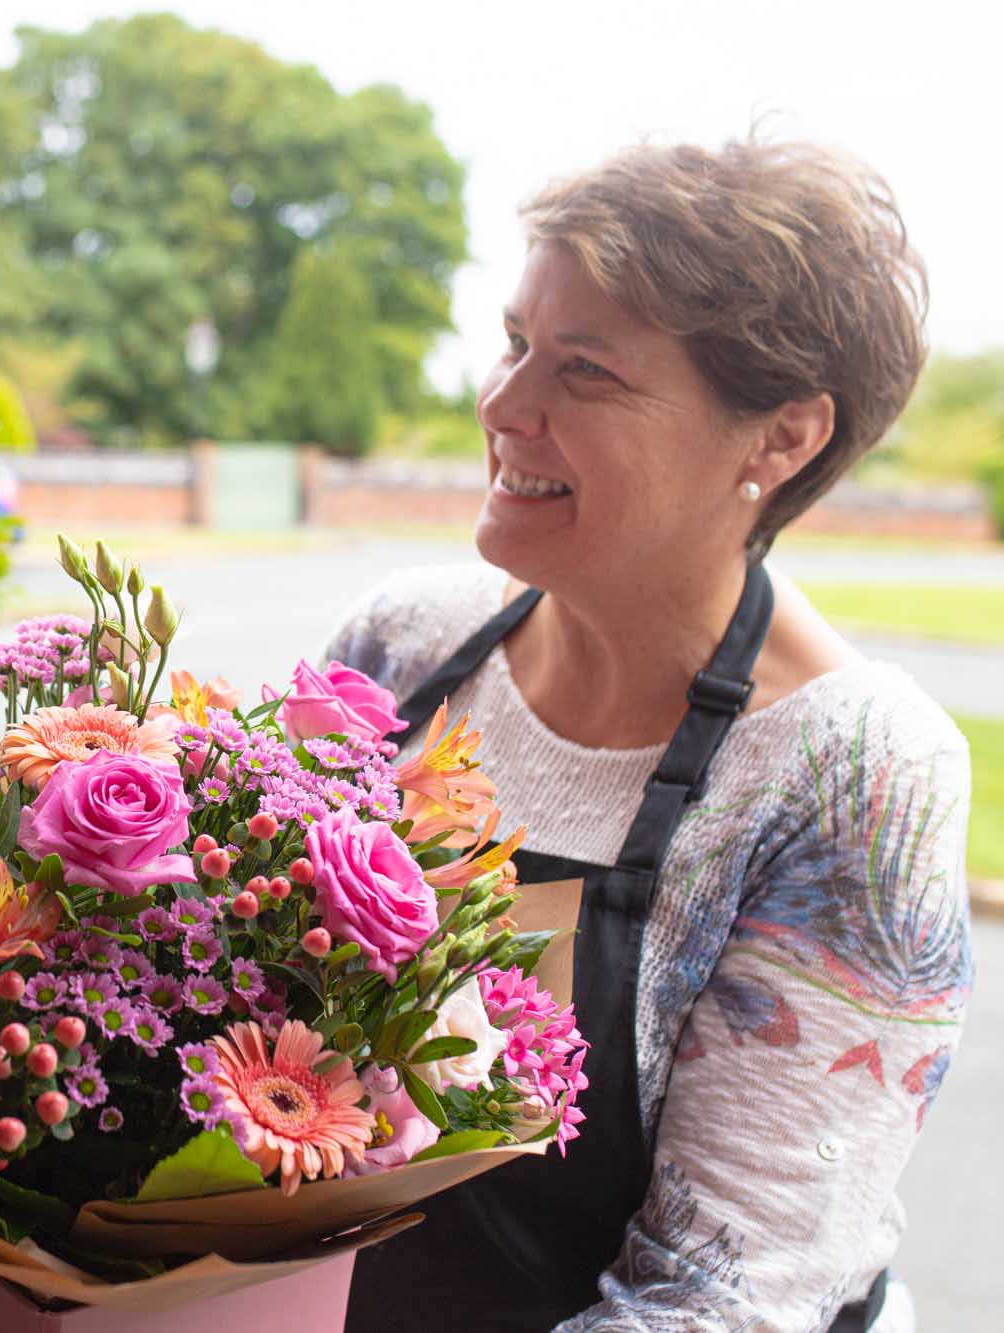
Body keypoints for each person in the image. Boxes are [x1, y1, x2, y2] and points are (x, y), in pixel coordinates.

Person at [323, 138, 972, 1330]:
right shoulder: (399, 649)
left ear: (778, 439)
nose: (502, 406)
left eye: (584, 373)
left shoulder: (847, 768)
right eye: (517, 343)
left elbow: (721, 1295)